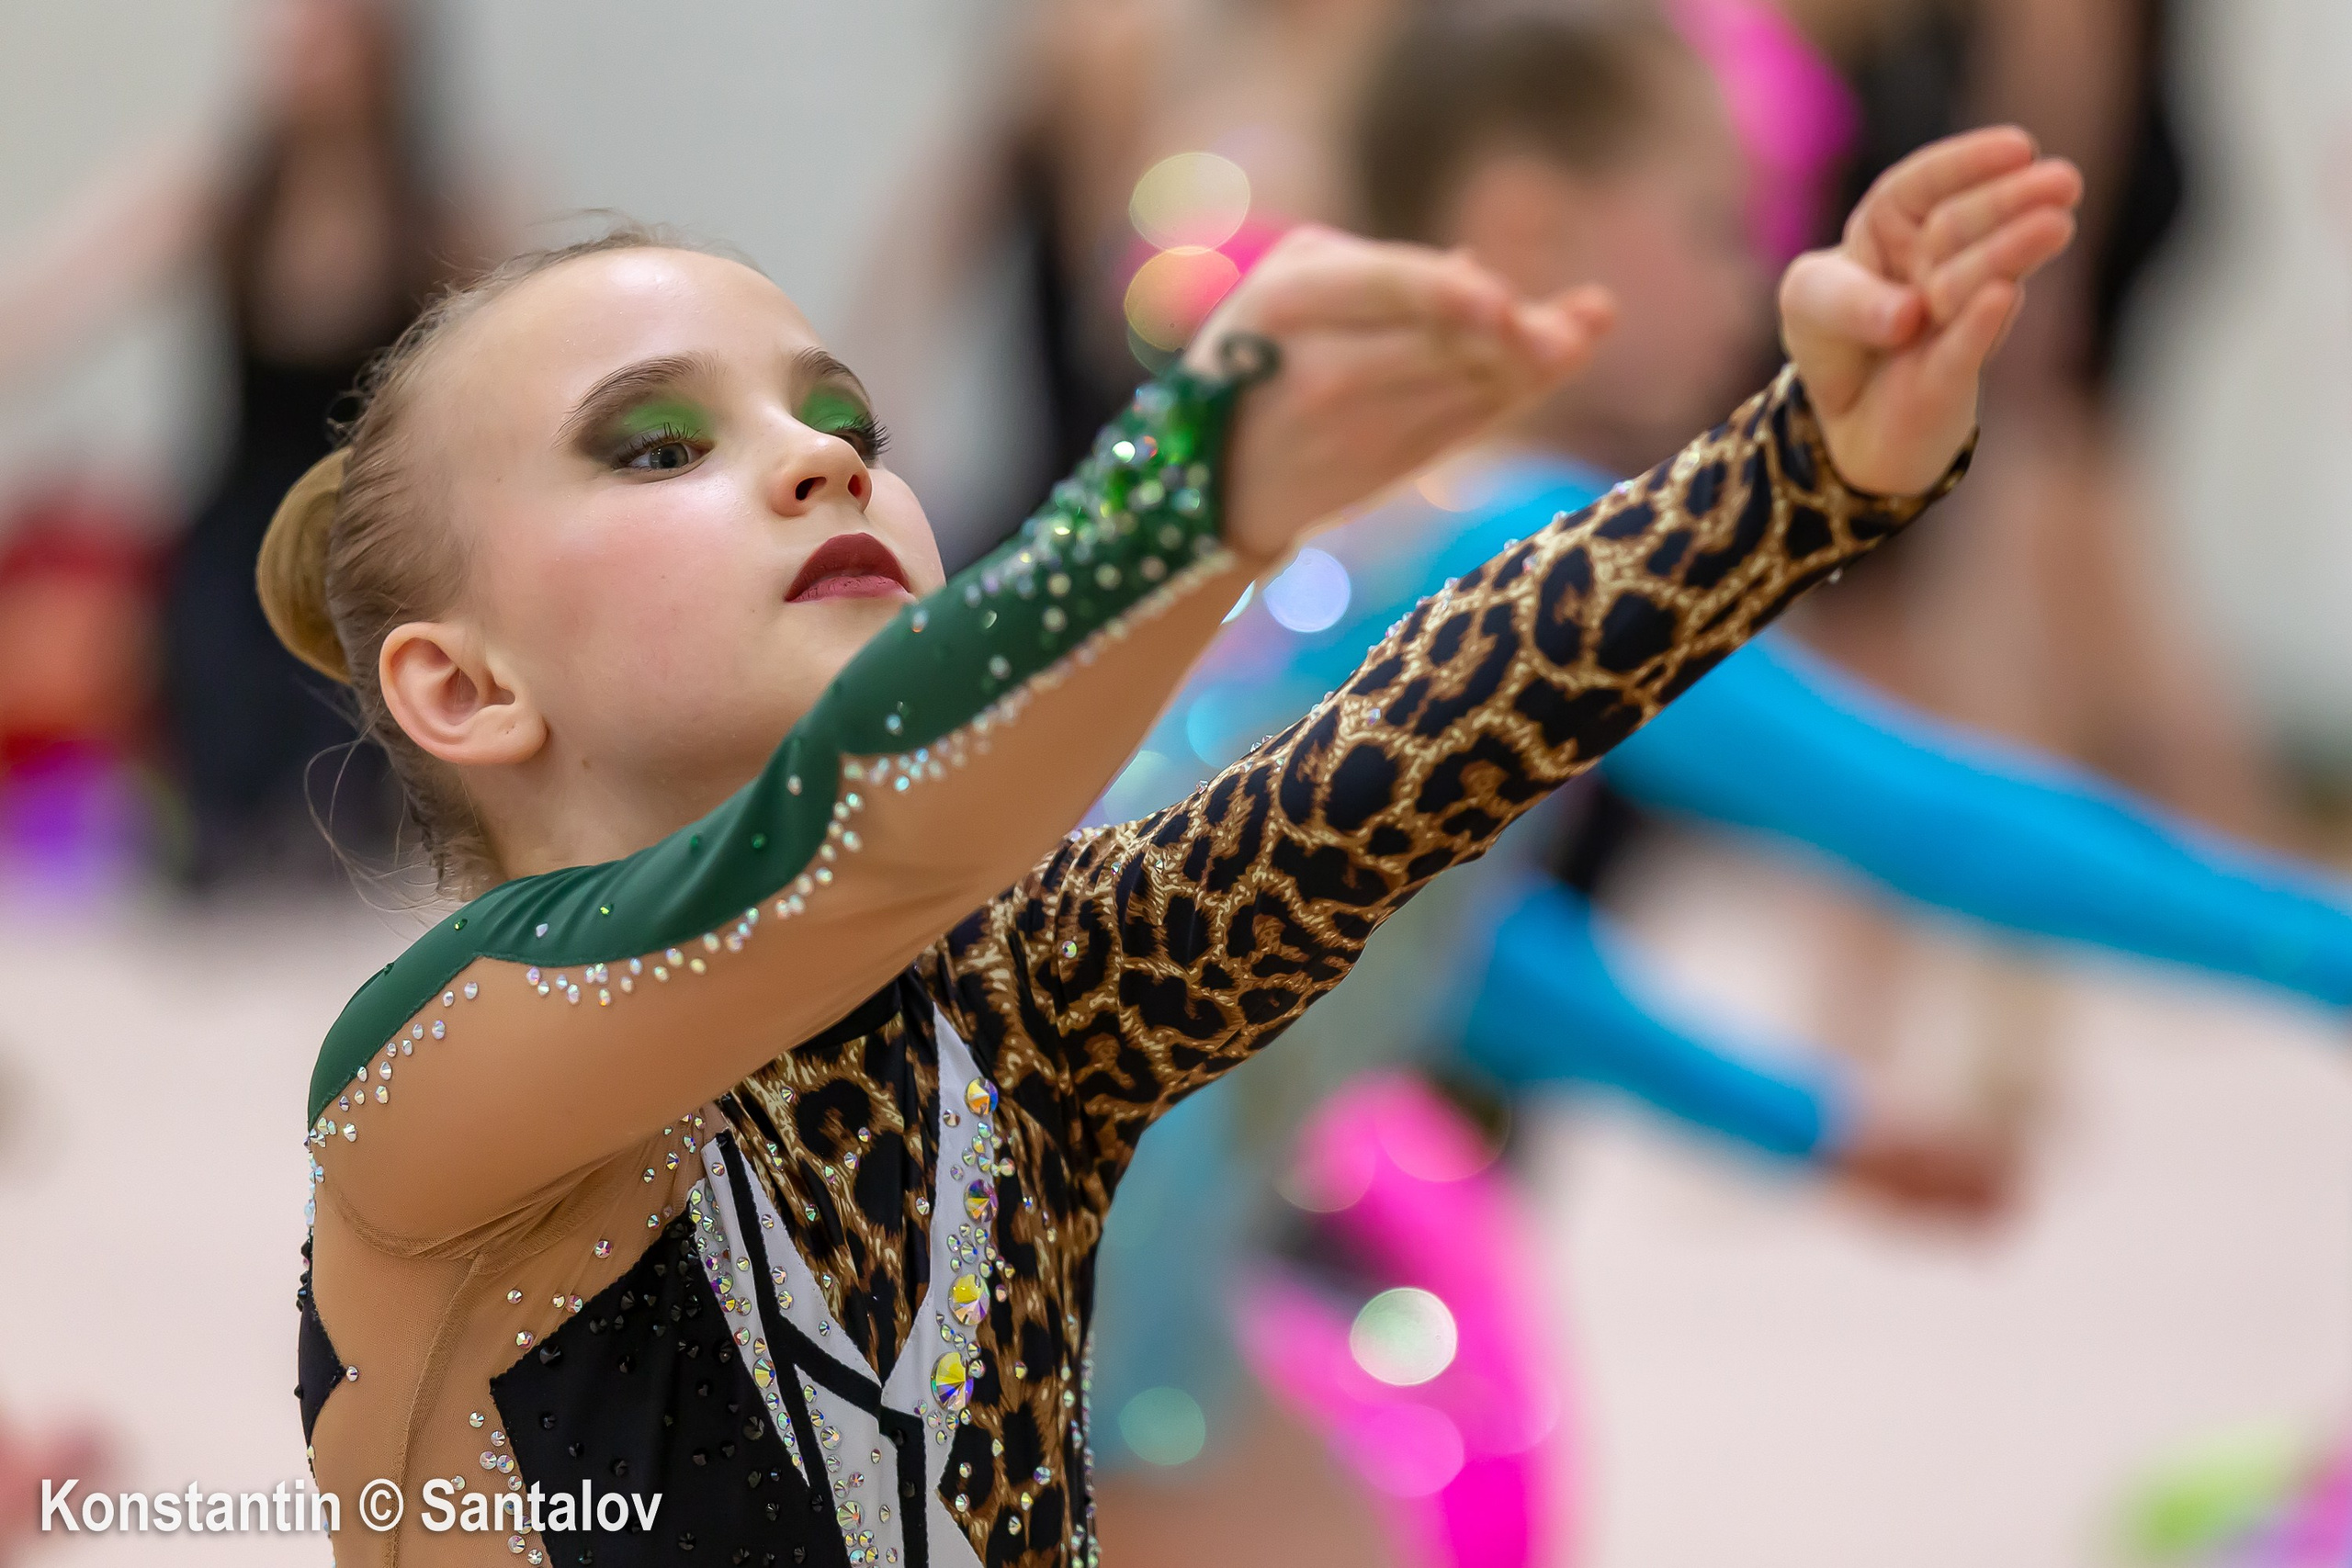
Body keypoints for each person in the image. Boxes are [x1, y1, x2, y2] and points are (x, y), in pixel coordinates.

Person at [275, 119, 2075, 1566]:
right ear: (463, 685)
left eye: (842, 422)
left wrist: (1803, 469)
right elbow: (844, 849)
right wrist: (1178, 489)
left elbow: (1408, 756)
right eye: (657, 446)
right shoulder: (439, 1072)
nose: (820, 463)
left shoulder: (1037, 985)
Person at [1084, 13, 2352, 1565]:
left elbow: (1440, 956)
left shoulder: (1342, 521)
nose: (1752, 281)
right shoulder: (1515, 551)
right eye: (1713, 220)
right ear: (1529, 228)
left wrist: (1801, 1123)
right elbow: (1919, 816)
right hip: (1093, 1263)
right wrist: (2321, 947)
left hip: (1101, 1246)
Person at [0, 0, 492, 883]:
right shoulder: (216, 189)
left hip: (367, 540)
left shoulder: (441, 208)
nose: (293, 40)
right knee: (223, 745)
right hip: (234, 538)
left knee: (341, 804)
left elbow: (535, 355)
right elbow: (49, 298)